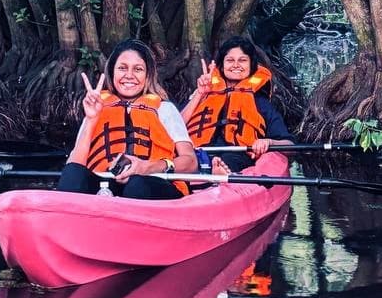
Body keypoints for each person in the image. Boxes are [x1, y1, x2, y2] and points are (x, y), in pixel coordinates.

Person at [57, 39, 197, 199]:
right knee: (72, 173)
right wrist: (91, 119)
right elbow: (75, 165)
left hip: (153, 184)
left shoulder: (164, 109)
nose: (129, 75)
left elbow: (191, 163)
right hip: (105, 185)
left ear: (148, 75)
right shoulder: (97, 108)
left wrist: (147, 167)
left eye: (138, 69)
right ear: (112, 72)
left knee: (137, 185)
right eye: (122, 68)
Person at [180, 36, 294, 172]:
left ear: (251, 65)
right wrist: (199, 94)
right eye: (229, 60)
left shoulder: (260, 103)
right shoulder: (202, 95)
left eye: (243, 60)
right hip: (198, 154)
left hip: (237, 156)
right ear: (221, 66)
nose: (236, 65)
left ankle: (219, 173)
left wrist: (269, 142)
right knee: (186, 161)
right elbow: (175, 127)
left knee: (229, 159)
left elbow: (289, 145)